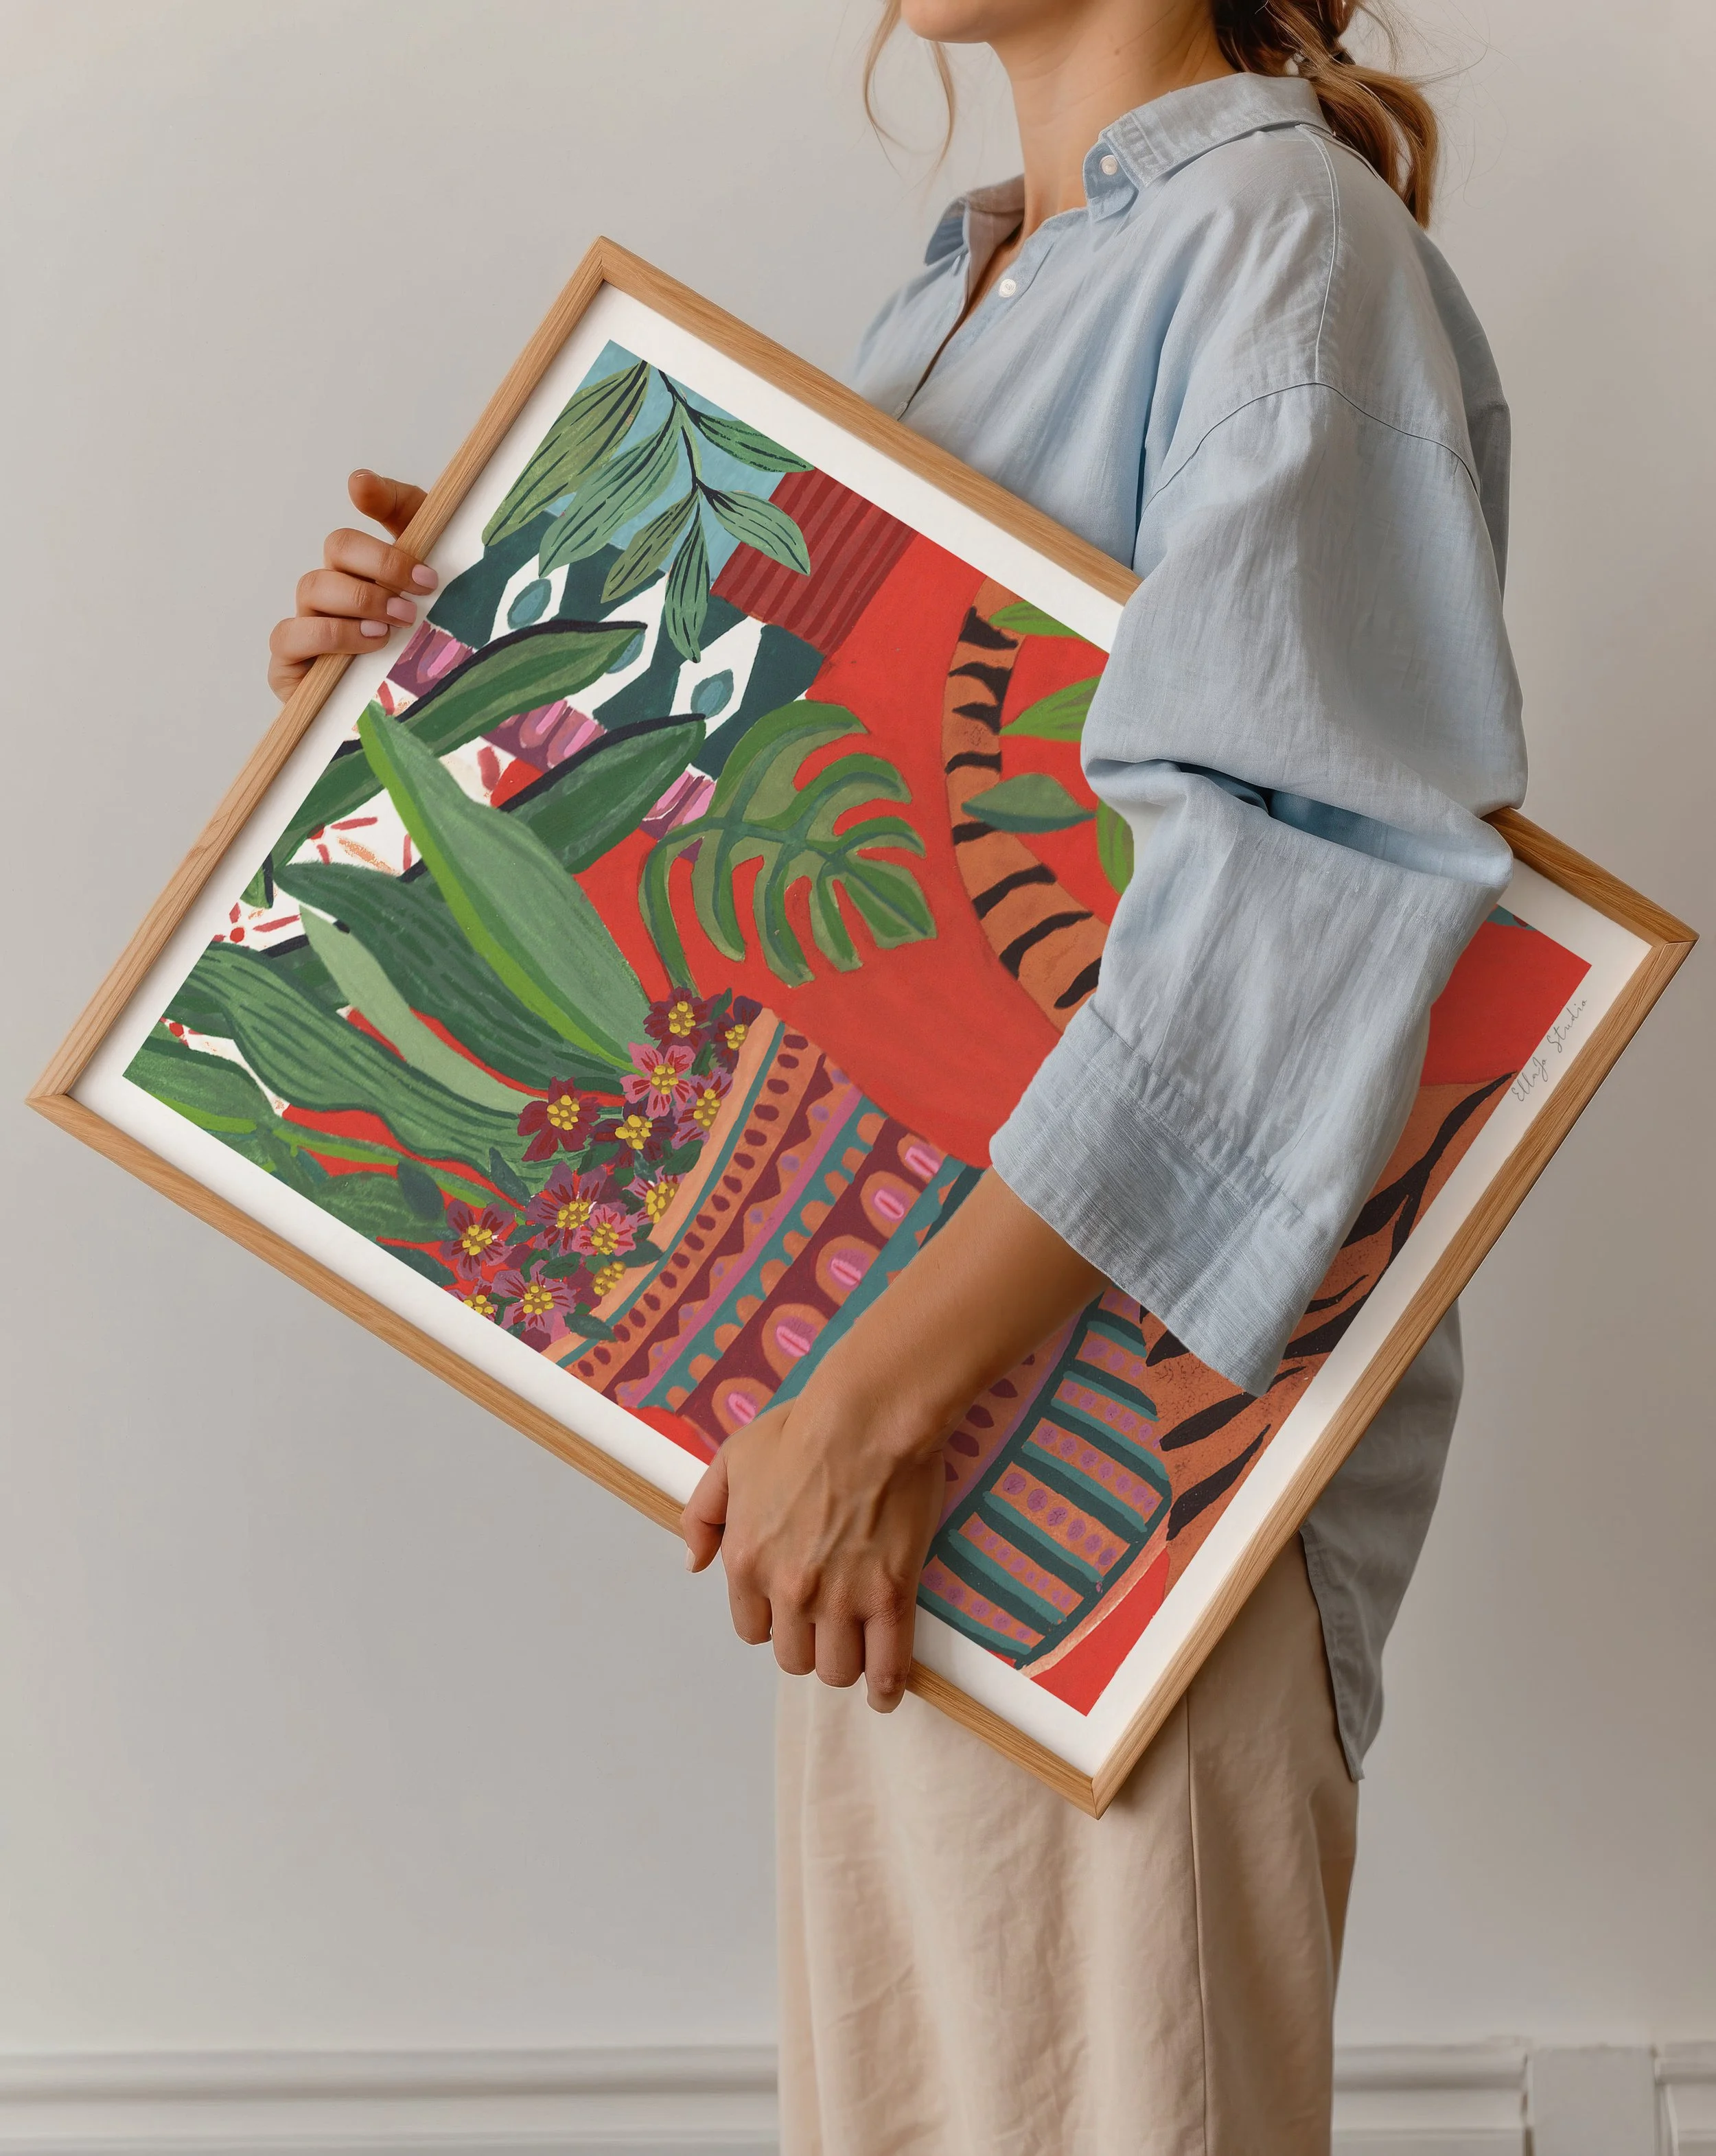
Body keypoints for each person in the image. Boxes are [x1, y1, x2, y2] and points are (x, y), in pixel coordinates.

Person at [269, 1, 1525, 2146]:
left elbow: (1290, 901)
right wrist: (406, 700)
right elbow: (798, 866)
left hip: (1109, 1438)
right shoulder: (956, 293)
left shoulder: (1283, 252)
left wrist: (869, 1398)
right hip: (883, 1415)